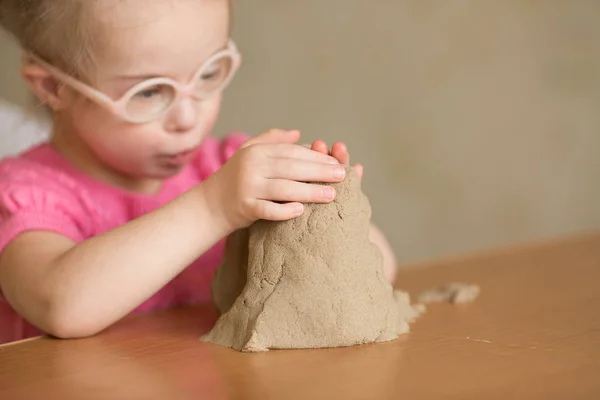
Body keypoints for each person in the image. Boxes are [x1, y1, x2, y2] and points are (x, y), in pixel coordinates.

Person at [0, 0, 397, 345]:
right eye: (149, 92)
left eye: (208, 74)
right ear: (53, 87)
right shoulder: (28, 195)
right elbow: (61, 306)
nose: (188, 118)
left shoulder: (223, 166)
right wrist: (213, 207)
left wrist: (335, 217)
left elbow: (383, 270)